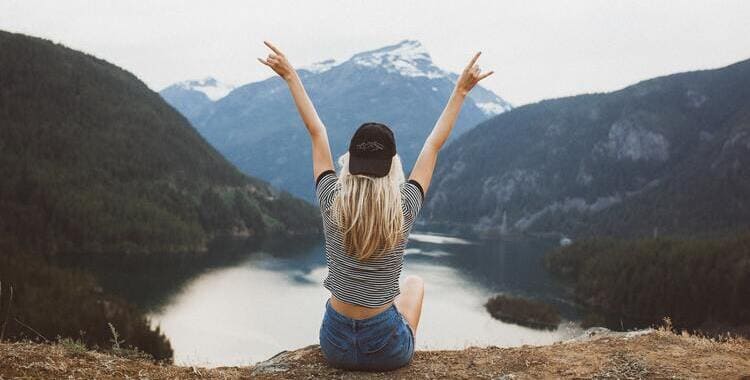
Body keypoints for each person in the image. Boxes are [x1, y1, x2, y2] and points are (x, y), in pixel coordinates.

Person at [258, 40, 493, 371]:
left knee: (374, 298)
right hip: (387, 350)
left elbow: (316, 132)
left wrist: (291, 76)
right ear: (392, 166)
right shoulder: (403, 207)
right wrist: (460, 92)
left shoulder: (331, 199)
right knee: (413, 285)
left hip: (335, 343)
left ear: (350, 163)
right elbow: (433, 145)